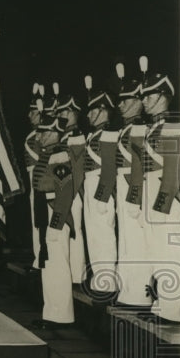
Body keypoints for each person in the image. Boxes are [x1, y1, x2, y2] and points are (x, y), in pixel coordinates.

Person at [138, 58, 180, 324]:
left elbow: (171, 173)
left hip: (166, 196)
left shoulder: (172, 126)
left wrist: (161, 204)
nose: (143, 101)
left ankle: (174, 309)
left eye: (149, 95)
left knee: (170, 253)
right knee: (156, 252)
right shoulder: (153, 127)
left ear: (163, 96)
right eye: (143, 96)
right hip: (152, 194)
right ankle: (161, 304)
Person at [106, 61, 153, 308]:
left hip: (134, 187)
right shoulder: (126, 129)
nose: (120, 105)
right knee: (125, 240)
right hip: (122, 186)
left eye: (126, 100)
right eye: (120, 100)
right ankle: (127, 292)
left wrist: (134, 197)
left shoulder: (139, 129)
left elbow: (137, 167)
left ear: (138, 101)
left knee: (136, 241)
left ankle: (139, 295)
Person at [31, 109, 75, 325]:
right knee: (49, 265)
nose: (39, 136)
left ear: (54, 134)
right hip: (44, 212)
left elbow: (65, 194)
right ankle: (51, 312)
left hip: (55, 213)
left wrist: (56, 225)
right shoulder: (47, 153)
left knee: (58, 265)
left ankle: (61, 315)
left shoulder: (59, 155)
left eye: (43, 132)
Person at [81, 75, 119, 297]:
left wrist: (102, 198)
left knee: (104, 236)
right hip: (90, 183)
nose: (88, 115)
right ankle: (98, 280)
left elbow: (108, 168)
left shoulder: (108, 134)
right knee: (93, 236)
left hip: (100, 187)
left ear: (102, 110)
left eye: (92, 110)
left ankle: (107, 283)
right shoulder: (93, 134)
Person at [52, 83, 87, 286]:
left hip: (73, 190)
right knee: (69, 231)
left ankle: (77, 274)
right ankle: (72, 273)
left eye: (64, 111)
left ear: (74, 113)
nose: (61, 115)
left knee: (75, 231)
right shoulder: (63, 135)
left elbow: (77, 169)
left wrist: (72, 193)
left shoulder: (75, 136)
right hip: (64, 189)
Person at [23, 82, 45, 270]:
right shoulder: (34, 134)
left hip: (41, 178)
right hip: (34, 177)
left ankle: (41, 258)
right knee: (35, 220)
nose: (29, 116)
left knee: (39, 220)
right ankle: (38, 257)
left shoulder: (41, 135)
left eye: (33, 112)